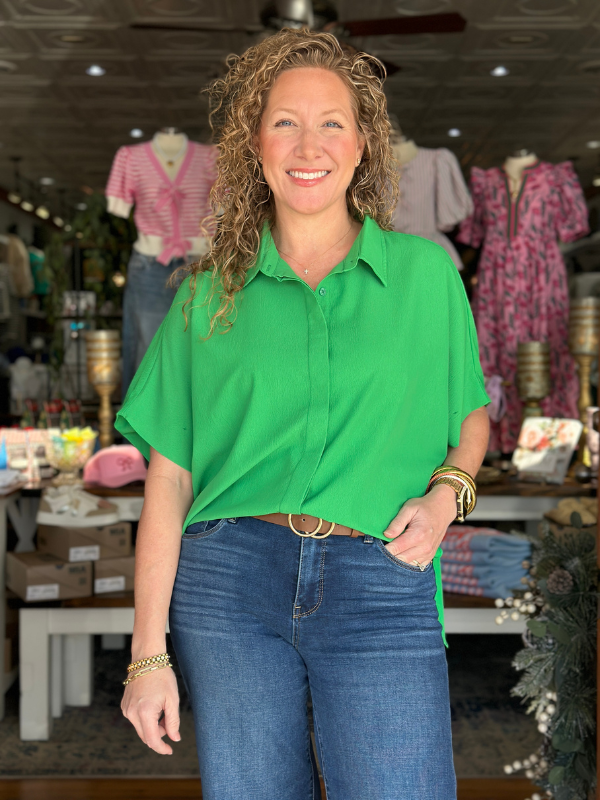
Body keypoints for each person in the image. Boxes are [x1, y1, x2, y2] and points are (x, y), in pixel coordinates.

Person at [116, 28, 490, 800]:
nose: (307, 143)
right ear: (255, 147)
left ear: (362, 147)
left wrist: (446, 493)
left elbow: (470, 418)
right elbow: (169, 481)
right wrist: (147, 656)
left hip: (382, 574)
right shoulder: (204, 297)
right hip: (230, 580)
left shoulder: (424, 276)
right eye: (284, 121)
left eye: (332, 123)